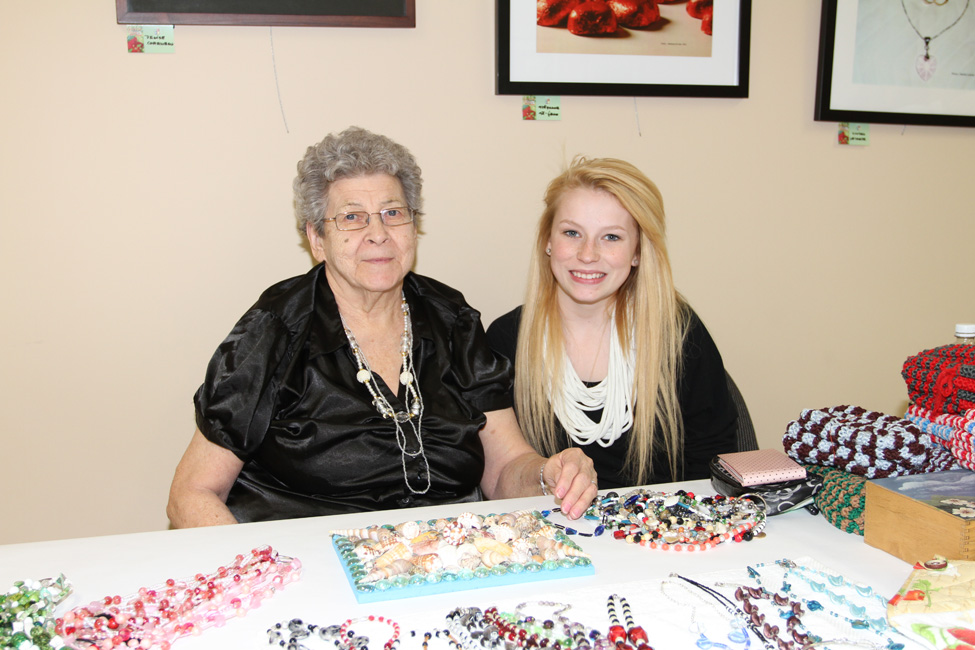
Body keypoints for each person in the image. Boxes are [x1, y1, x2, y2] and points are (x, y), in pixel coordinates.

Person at [167, 127, 597, 527]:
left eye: (393, 213)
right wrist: (265, 570)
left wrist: (547, 474)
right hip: (307, 559)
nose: (378, 233)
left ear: (414, 226)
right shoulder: (275, 330)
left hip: (442, 555)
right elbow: (192, 493)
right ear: (316, 239)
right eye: (352, 217)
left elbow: (504, 470)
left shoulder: (452, 319)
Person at [486, 157, 737, 490]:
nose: (588, 254)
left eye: (612, 237)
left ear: (637, 252)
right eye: (572, 233)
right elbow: (501, 475)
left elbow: (714, 461)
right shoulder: (506, 340)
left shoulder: (678, 334)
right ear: (547, 240)